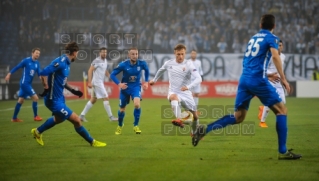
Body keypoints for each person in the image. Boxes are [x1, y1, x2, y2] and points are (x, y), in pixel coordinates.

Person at [192, 14, 302, 160]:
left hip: (244, 79)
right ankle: (283, 151)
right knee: (282, 111)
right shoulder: (272, 38)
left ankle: (205, 129)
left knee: (239, 117)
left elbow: (247, 59)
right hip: (258, 80)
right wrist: (284, 78)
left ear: (260, 24)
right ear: (273, 26)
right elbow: (275, 57)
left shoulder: (253, 38)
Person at [31, 42, 106, 147]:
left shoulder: (67, 63)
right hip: (53, 100)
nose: (77, 55)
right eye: (78, 53)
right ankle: (92, 142)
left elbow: (63, 82)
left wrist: (73, 90)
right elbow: (43, 73)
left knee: (59, 119)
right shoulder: (60, 62)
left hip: (59, 98)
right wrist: (46, 88)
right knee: (76, 120)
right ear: (74, 53)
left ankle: (37, 132)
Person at [149, 44, 202, 134]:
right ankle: (179, 120)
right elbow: (161, 70)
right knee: (173, 97)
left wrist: (188, 87)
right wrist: (154, 80)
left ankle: (194, 132)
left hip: (186, 93)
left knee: (195, 116)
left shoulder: (189, 64)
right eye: (178, 54)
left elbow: (199, 78)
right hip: (174, 92)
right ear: (175, 53)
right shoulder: (169, 63)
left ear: (185, 53)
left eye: (182, 54)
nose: (180, 56)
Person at [110, 47, 149, 135]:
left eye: (136, 54)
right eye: (133, 54)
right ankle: (120, 125)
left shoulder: (141, 63)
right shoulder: (123, 64)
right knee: (122, 109)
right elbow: (112, 75)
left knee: (137, 104)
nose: (135, 56)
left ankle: (136, 126)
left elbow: (147, 70)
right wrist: (119, 84)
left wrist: (146, 82)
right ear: (129, 55)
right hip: (125, 88)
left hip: (135, 87)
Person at [79, 47, 118, 122]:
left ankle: (81, 116)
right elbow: (90, 70)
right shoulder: (97, 61)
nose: (104, 54)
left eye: (105, 52)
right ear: (100, 53)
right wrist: (89, 82)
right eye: (103, 52)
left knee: (93, 100)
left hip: (98, 82)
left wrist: (111, 77)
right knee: (106, 97)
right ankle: (111, 117)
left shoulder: (105, 61)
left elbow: (105, 71)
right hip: (97, 83)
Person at [5, 48, 43, 122]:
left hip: (28, 84)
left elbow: (39, 73)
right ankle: (36, 116)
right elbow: (17, 67)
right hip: (24, 83)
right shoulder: (26, 61)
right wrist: (9, 74)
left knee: (21, 100)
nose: (37, 55)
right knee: (35, 98)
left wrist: (42, 78)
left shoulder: (37, 63)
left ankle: (14, 118)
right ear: (32, 53)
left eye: (39, 53)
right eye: (36, 53)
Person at [258, 40, 286, 128]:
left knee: (282, 102)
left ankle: (263, 109)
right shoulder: (270, 56)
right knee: (271, 100)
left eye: (280, 45)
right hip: (270, 81)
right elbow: (264, 69)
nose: (279, 47)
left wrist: (283, 79)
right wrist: (271, 75)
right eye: (278, 45)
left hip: (278, 82)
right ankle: (262, 122)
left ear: (282, 47)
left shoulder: (283, 56)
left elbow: (280, 69)